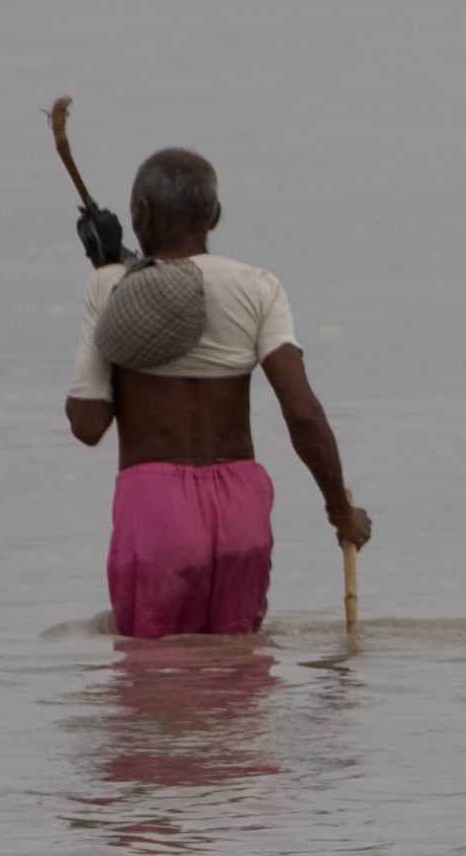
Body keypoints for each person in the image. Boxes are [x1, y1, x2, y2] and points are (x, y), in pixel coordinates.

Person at [63, 147, 370, 639]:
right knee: (239, 672)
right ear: (216, 215)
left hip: (157, 508)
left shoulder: (109, 287)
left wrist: (114, 292)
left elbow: (87, 424)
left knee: (154, 676)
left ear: (141, 212)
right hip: (241, 512)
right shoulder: (259, 286)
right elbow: (302, 412)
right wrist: (340, 511)